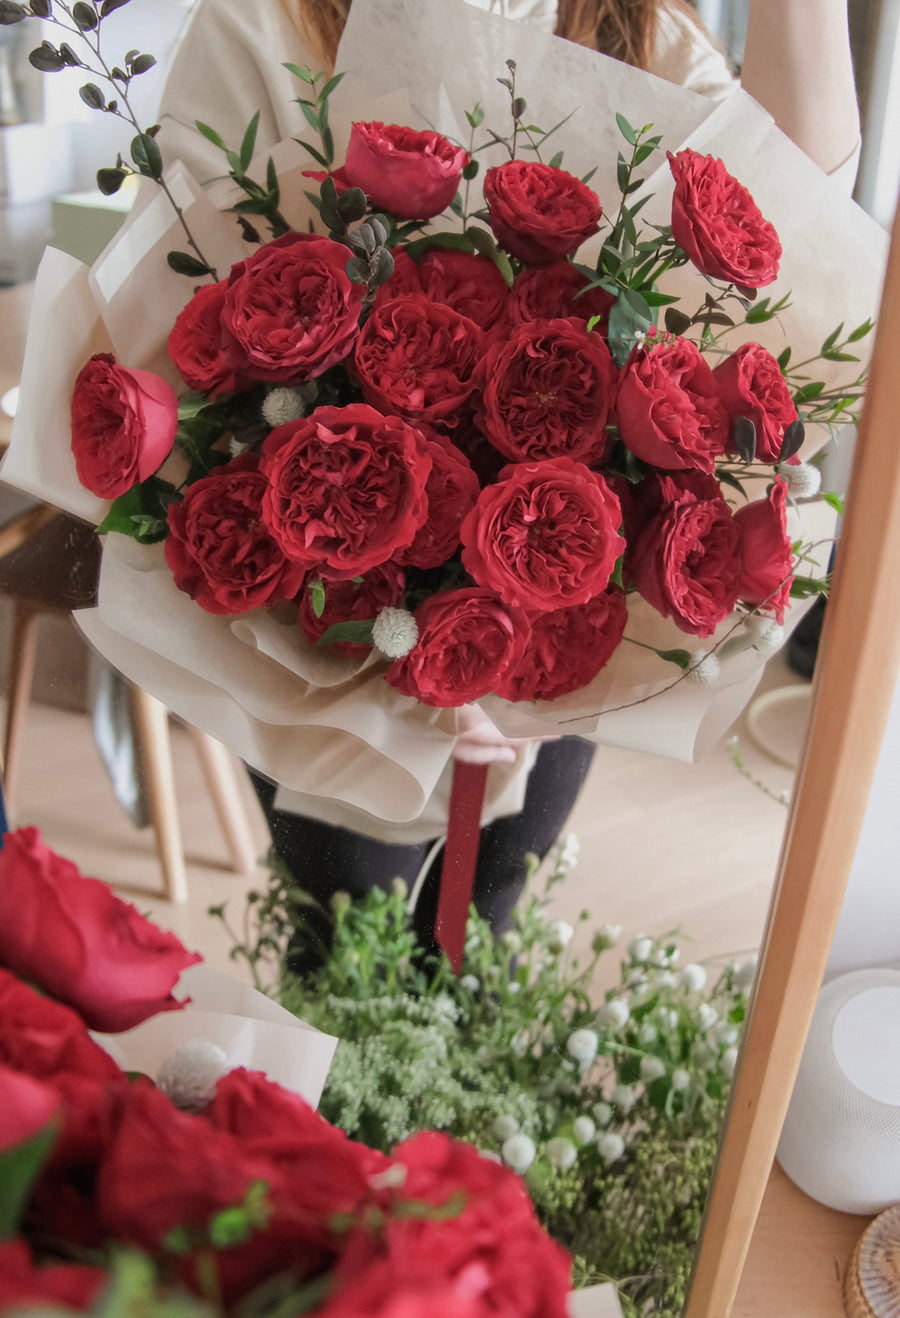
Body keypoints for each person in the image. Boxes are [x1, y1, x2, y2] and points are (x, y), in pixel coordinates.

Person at [157, 0, 860, 963]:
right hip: (321, 615)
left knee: (481, 935)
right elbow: (184, 326)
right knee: (343, 939)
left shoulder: (643, 35)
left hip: (557, 603)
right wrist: (413, 643)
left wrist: (506, 643)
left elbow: (804, 231)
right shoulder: (263, 21)